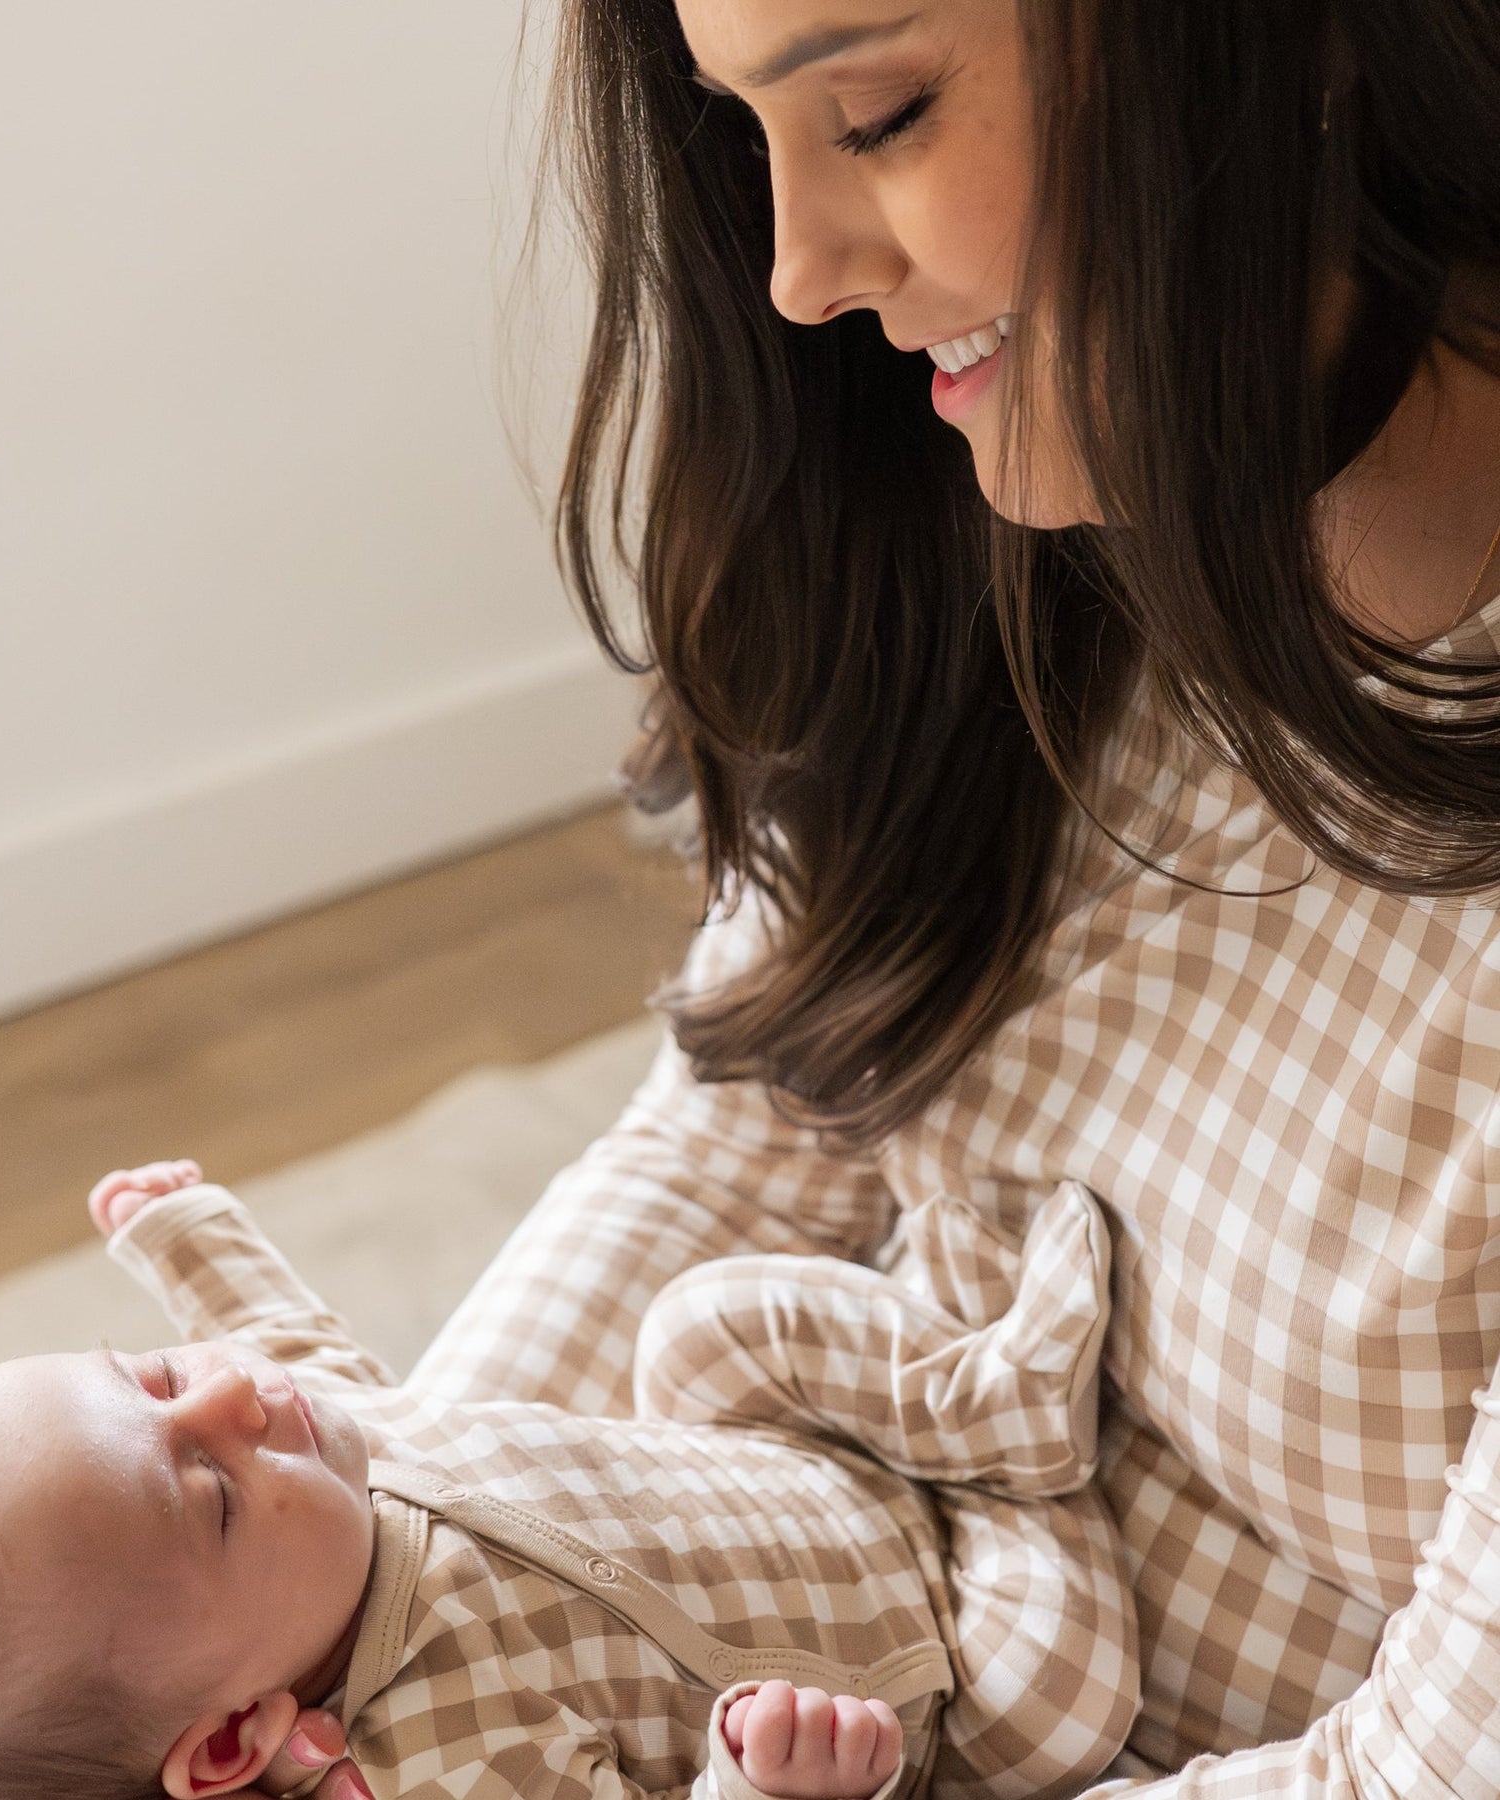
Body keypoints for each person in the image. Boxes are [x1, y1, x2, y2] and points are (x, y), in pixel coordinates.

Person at [402, 0, 1500, 1794]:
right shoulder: (1000, 528)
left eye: (883, 112)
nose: (800, 272)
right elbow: (745, 1142)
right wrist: (379, 1560)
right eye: (743, 132)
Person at [0, 1158, 1136, 1800]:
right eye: (208, 1495)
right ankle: (1037, 1469)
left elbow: (298, 1353)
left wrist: (196, 1244)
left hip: (776, 1462)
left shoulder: (330, 1476)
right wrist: (766, 1786)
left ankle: (989, 1399)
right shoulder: (437, 1763)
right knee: (1071, 1714)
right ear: (223, 1747)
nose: (237, 1401)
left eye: (148, 1373)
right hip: (946, 1650)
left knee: (700, 1324)